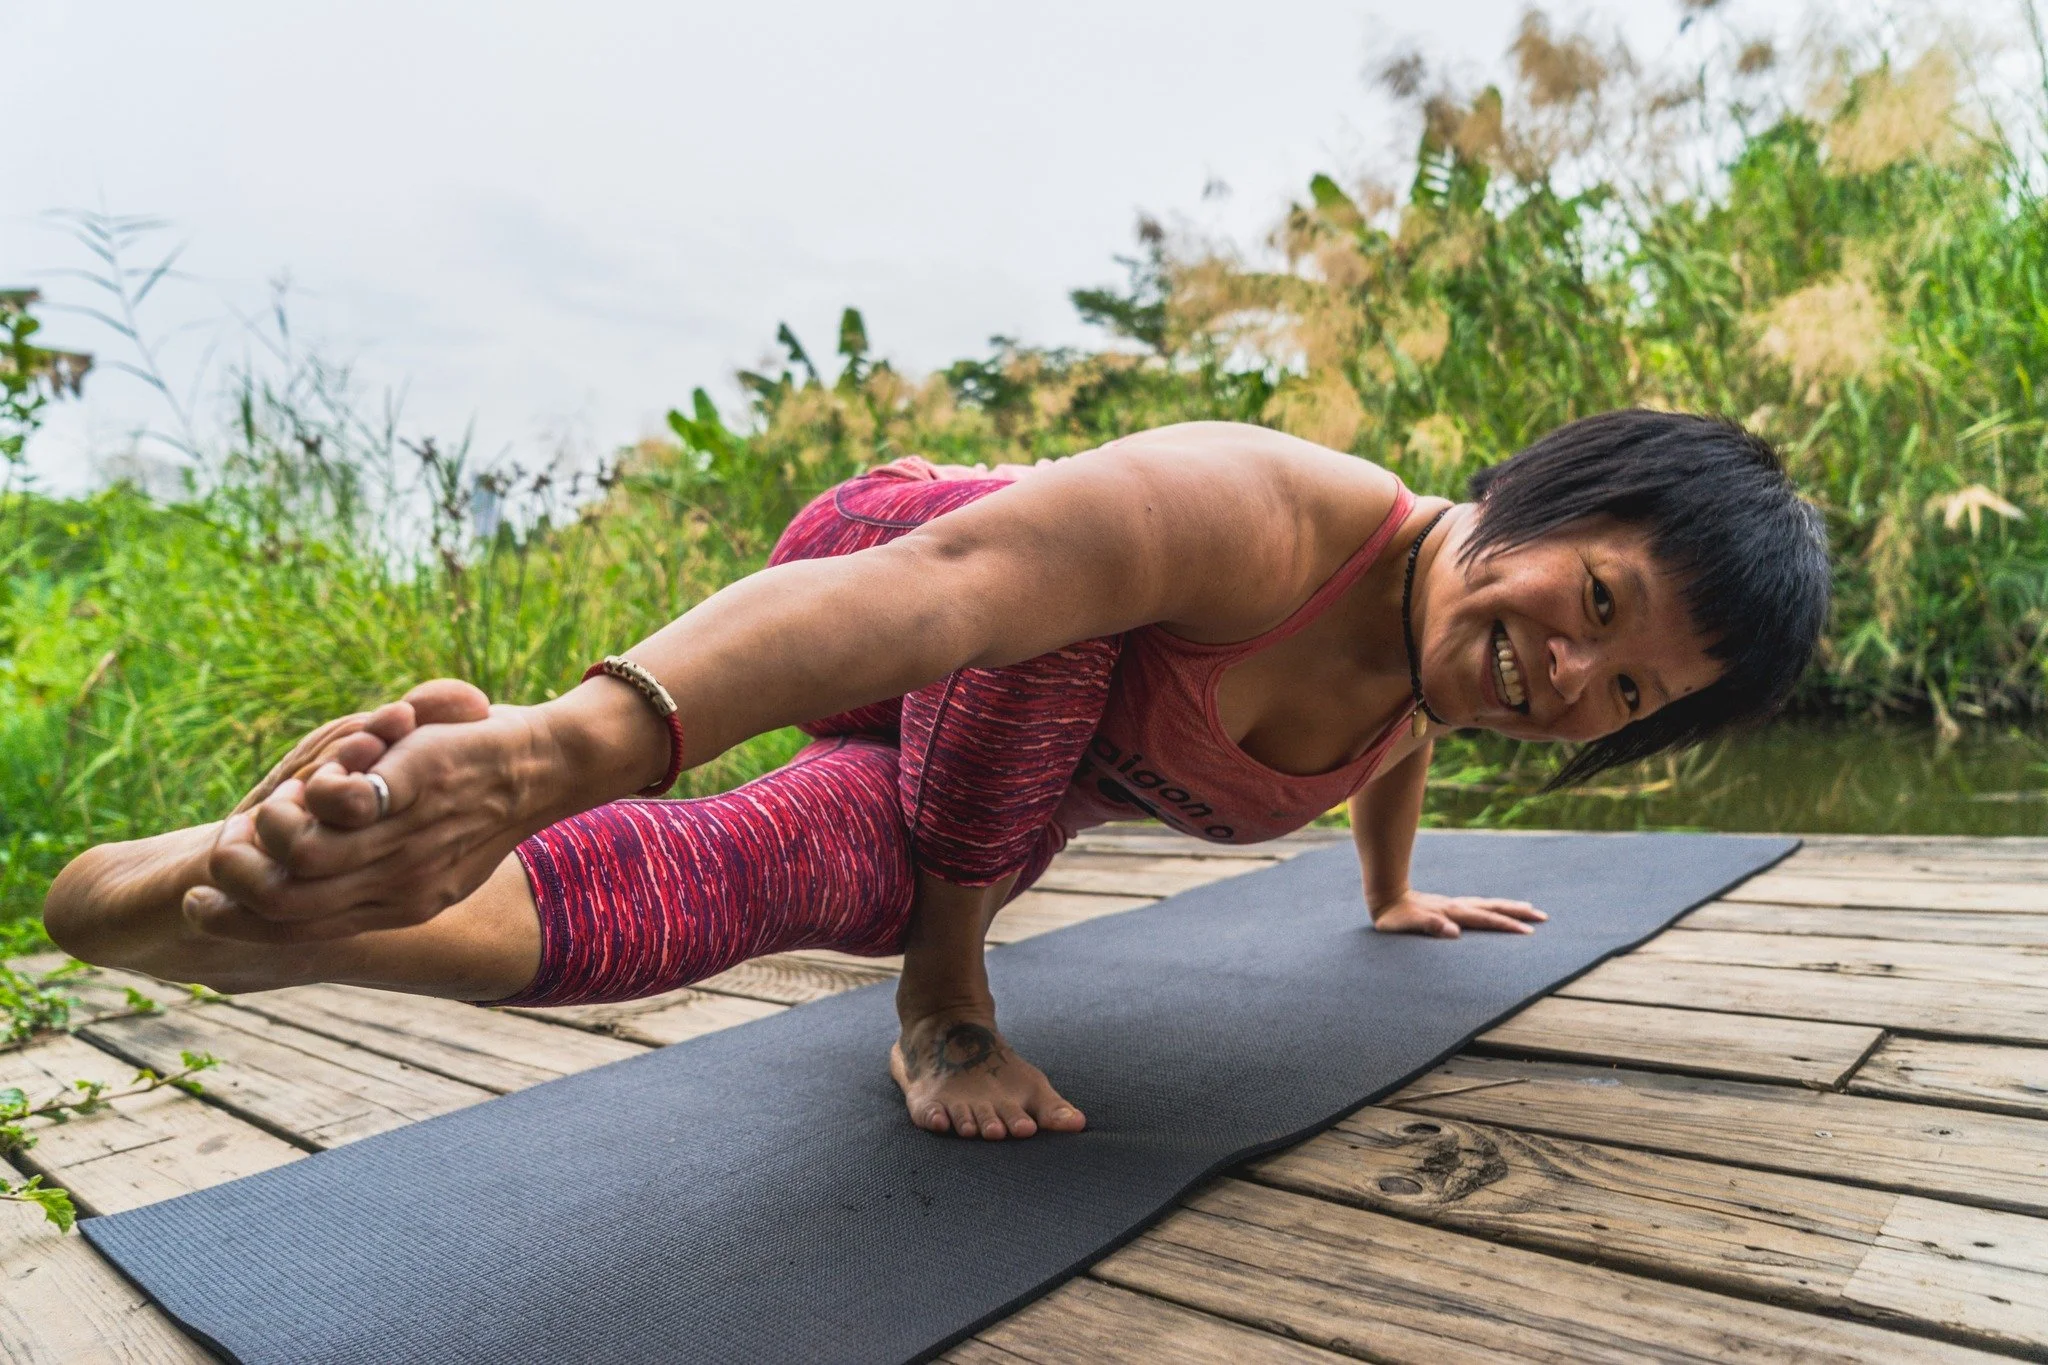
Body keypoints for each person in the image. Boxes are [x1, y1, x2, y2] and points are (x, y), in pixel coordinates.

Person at [45, 414, 1829, 1141]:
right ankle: (933, 998)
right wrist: (558, 748)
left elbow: (1399, 745)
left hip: (956, 767)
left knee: (804, 876)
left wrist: (1390, 891)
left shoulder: (1441, 672)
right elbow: (949, 593)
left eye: (1626, 691)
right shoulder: (1266, 511)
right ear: (1536, 491)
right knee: (1042, 644)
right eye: (1599, 600)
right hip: (891, 573)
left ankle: (267, 902)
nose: (1567, 673)